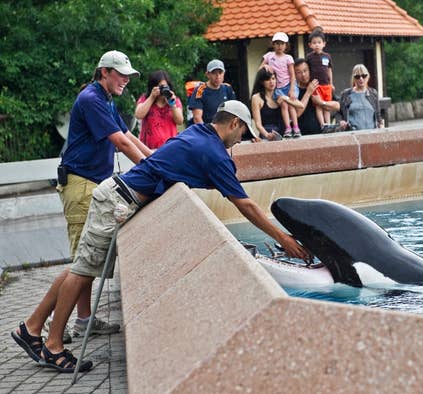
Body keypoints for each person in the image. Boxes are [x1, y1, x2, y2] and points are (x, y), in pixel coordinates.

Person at [11, 100, 310, 373]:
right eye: (242, 133)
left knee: (80, 267)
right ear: (234, 123)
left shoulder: (198, 133)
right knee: (84, 272)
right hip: (117, 201)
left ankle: (32, 327)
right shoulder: (212, 152)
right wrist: (283, 238)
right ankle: (51, 345)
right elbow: (244, 204)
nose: (240, 140)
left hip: (115, 195)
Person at [36, 51, 153, 347]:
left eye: (128, 75)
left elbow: (128, 133)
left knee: (86, 261)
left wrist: (156, 160)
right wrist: (153, 171)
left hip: (92, 184)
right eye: (121, 74)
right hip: (81, 185)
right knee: (81, 263)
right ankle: (42, 325)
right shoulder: (91, 99)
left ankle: (85, 320)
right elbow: (122, 143)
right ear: (104, 72)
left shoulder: (105, 100)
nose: (126, 79)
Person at [259, 32, 300, 138]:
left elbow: (292, 75)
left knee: (291, 105)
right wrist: (265, 67)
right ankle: (288, 128)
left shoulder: (288, 58)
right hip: (278, 88)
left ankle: (296, 127)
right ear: (273, 44)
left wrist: (291, 89)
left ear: (286, 45)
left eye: (282, 43)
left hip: (288, 85)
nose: (279, 46)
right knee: (284, 105)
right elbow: (260, 69)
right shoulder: (269, 56)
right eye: (277, 43)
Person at [134, 70, 184, 148]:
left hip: (169, 147)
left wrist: (172, 104)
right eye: (160, 87)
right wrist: (152, 97)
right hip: (147, 148)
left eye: (165, 87)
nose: (162, 90)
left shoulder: (174, 100)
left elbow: (180, 121)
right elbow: (138, 115)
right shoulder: (145, 98)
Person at [293, 58, 339, 135]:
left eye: (305, 71)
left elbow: (337, 106)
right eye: (299, 72)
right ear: (294, 74)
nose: (303, 75)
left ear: (310, 70)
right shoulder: (294, 91)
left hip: (322, 134)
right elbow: (297, 113)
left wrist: (321, 103)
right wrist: (308, 92)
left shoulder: (320, 86)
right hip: (302, 135)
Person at [187, 59, 236, 125]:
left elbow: (233, 112)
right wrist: (207, 133)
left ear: (224, 73)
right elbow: (197, 118)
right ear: (207, 74)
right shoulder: (200, 90)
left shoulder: (227, 88)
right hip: (206, 129)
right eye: (214, 73)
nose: (217, 76)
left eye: (220, 72)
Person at [338, 64, 383, 131]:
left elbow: (378, 116)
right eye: (357, 76)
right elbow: (338, 113)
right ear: (353, 78)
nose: (361, 79)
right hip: (353, 135)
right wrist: (341, 122)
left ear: (368, 77)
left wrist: (382, 129)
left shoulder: (373, 93)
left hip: (372, 134)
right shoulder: (346, 94)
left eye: (364, 76)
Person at [306, 27, 334, 130]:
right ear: (310, 45)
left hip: (326, 85)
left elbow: (329, 70)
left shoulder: (327, 56)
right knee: (318, 105)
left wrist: (331, 83)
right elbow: (307, 70)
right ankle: (323, 125)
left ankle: (328, 124)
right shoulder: (309, 57)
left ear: (324, 44)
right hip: (315, 85)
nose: (317, 44)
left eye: (319, 42)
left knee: (326, 106)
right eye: (314, 43)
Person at [250, 68, 284, 141]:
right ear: (262, 82)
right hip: (266, 135)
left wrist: (286, 99)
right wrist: (267, 135)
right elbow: (258, 124)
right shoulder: (256, 98)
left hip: (283, 135)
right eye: (268, 79)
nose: (271, 82)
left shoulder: (281, 95)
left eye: (273, 78)